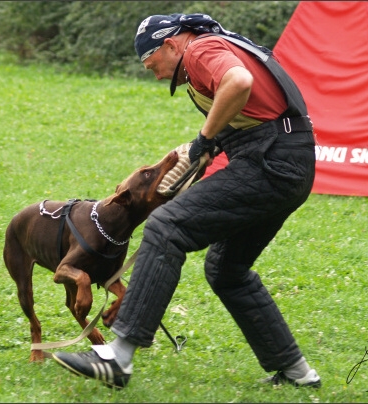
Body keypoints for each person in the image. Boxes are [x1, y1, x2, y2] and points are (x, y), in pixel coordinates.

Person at [53, 13, 321, 390]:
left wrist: (204, 139)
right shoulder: (215, 46)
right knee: (227, 269)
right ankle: (297, 372)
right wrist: (206, 160)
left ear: (171, 45)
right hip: (289, 163)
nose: (157, 75)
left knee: (166, 226)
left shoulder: (200, 48)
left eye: (153, 65)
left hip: (272, 164)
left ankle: (119, 357)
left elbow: (239, 82)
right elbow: (252, 116)